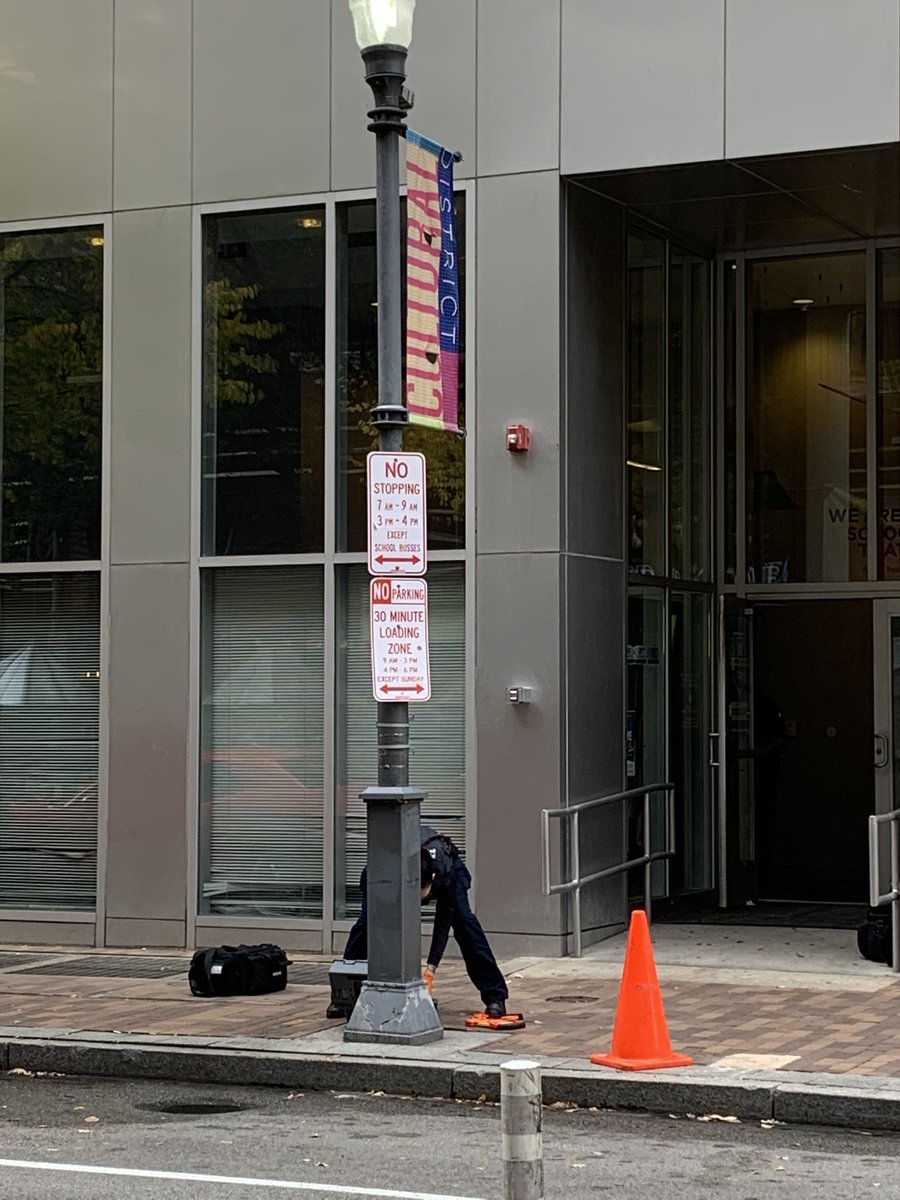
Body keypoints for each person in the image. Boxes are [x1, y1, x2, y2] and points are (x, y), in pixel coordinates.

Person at [339, 825, 509, 1018]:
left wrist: (430, 970)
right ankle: (342, 996)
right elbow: (387, 927)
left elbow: (443, 924)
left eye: (420, 897)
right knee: (366, 924)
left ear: (432, 881)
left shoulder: (445, 871)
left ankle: (495, 995)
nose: (417, 903)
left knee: (465, 924)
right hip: (390, 875)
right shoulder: (385, 871)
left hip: (448, 870)